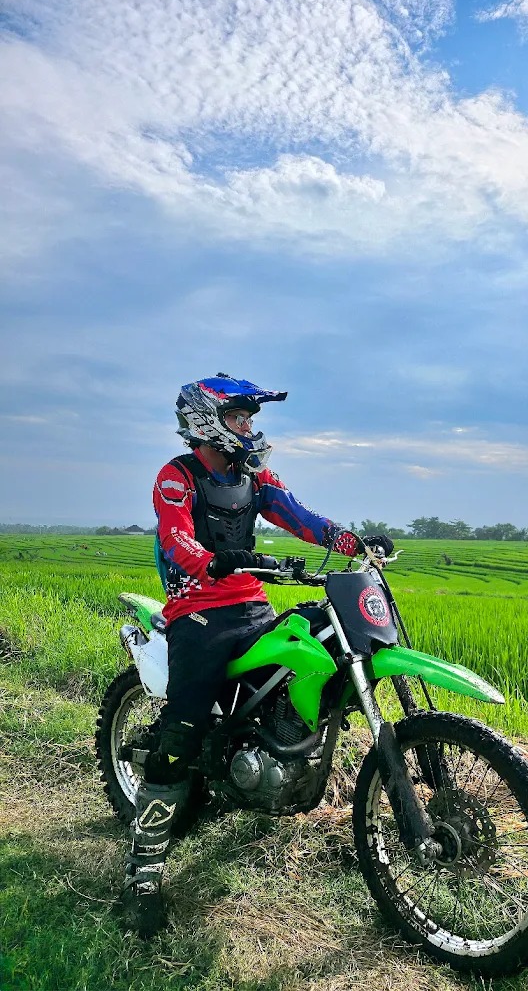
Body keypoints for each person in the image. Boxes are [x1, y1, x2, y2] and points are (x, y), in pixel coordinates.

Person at [118, 373, 392, 937]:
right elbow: (175, 538)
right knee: (180, 735)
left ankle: (268, 759)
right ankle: (143, 875)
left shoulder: (255, 476)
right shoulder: (177, 476)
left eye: (249, 417)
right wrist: (210, 561)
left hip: (251, 605)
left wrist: (352, 541)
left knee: (313, 647)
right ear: (207, 419)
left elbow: (300, 516)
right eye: (239, 416)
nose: (248, 426)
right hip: (197, 612)